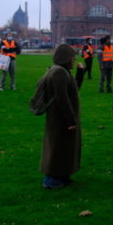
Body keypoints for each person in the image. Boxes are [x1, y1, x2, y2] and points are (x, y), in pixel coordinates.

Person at [40, 44, 82, 189]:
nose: (74, 60)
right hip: (60, 119)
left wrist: (80, 74)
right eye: (72, 57)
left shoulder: (63, 71)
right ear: (65, 58)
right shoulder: (59, 73)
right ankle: (52, 180)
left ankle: (62, 176)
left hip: (62, 118)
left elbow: (72, 90)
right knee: (57, 148)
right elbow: (62, 98)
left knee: (65, 148)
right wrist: (70, 119)